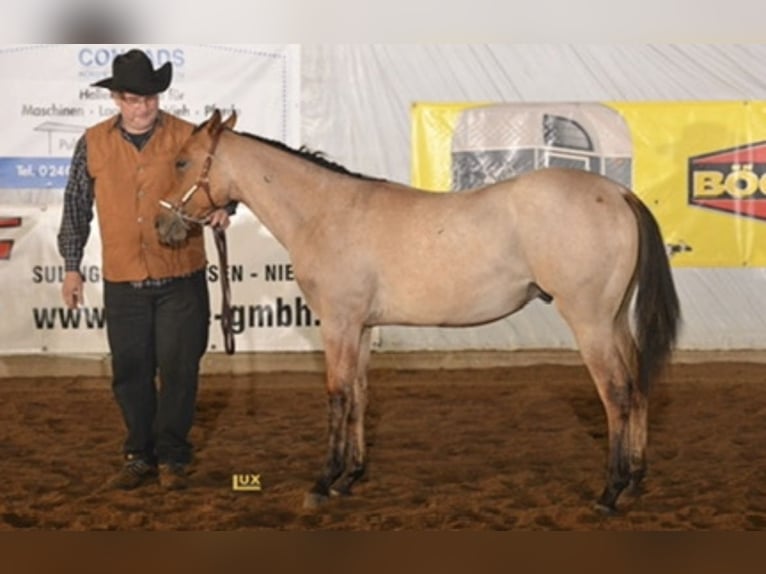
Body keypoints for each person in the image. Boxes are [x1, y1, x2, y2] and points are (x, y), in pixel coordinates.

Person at [57, 48, 231, 491]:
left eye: (151, 99)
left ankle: (172, 454)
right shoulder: (92, 142)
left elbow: (220, 180)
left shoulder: (187, 136)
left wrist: (225, 207)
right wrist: (71, 266)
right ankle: (139, 453)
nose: (143, 108)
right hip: (123, 278)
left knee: (179, 370)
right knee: (130, 371)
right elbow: (76, 207)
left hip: (181, 277)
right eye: (134, 99)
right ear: (117, 98)